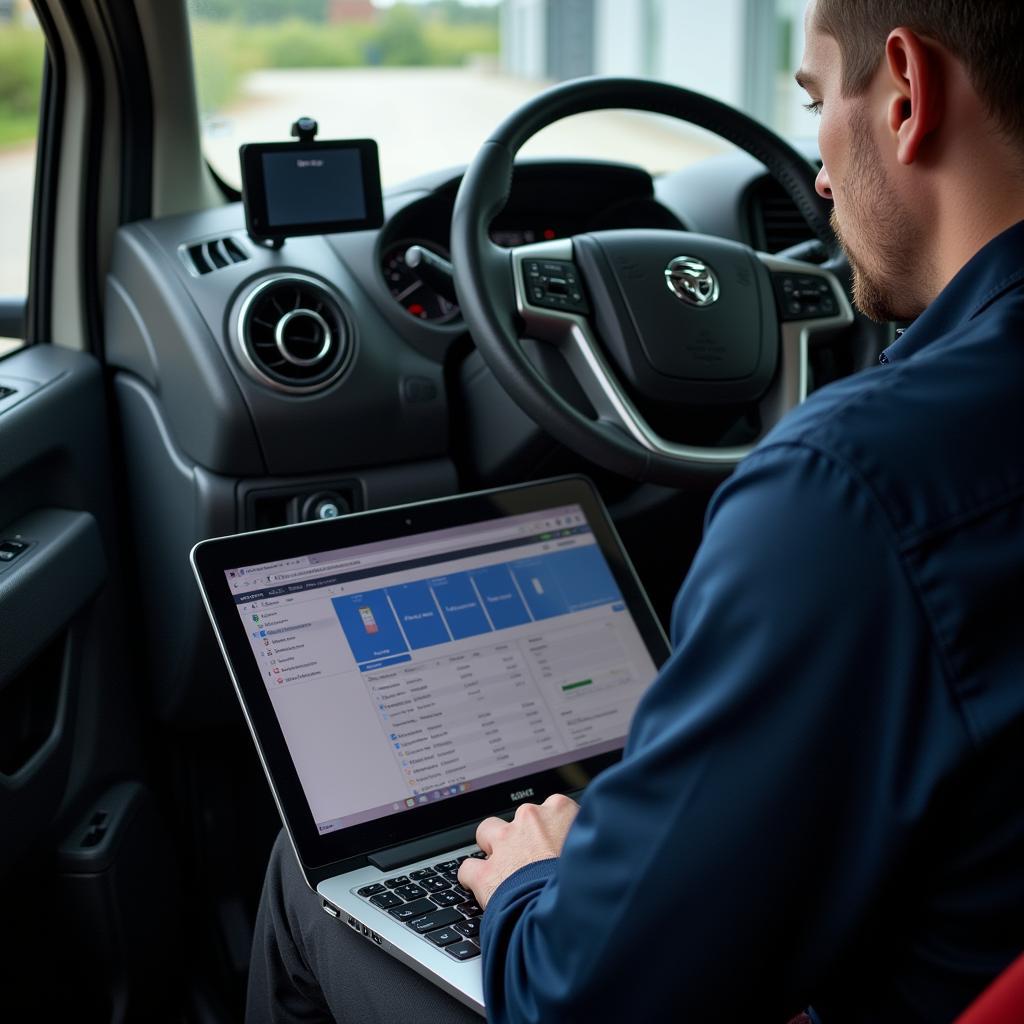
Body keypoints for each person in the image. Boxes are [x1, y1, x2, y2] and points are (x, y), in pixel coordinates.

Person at [247, 1, 1024, 1020]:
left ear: (905, 94)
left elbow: (587, 996)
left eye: (814, 101)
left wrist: (534, 881)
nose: (819, 177)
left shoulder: (846, 489)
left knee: (306, 873)